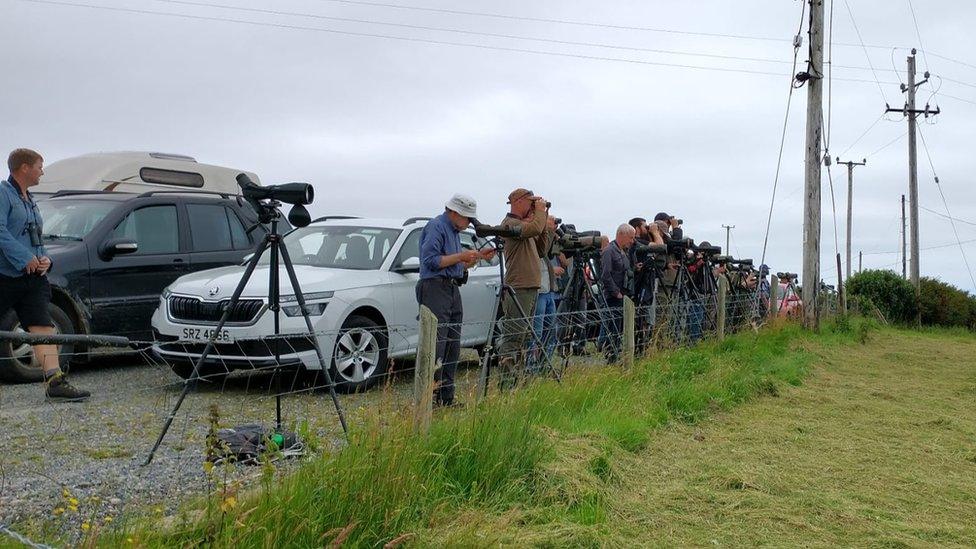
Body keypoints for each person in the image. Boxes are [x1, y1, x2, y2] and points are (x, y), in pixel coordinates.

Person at [1, 149, 89, 401]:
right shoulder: (2, 194)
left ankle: (55, 382)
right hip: (4, 276)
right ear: (24, 168)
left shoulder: (30, 198)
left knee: (42, 325)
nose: (43, 171)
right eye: (40, 166)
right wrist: (23, 257)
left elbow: (35, 236)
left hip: (33, 279)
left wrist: (44, 259)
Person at [416, 194, 495, 406]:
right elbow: (431, 261)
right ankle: (428, 399)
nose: (469, 223)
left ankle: (445, 397)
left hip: (451, 287)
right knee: (436, 344)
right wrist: (462, 256)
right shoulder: (436, 227)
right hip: (435, 288)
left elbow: (454, 266)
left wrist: (478, 256)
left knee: (452, 345)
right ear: (454, 212)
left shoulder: (452, 230)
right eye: (467, 218)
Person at [496, 187, 551, 390]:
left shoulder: (525, 226)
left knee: (524, 336)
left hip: (530, 286)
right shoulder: (510, 225)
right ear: (518, 201)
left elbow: (542, 249)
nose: (533, 206)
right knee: (513, 336)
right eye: (530, 202)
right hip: (518, 287)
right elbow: (534, 229)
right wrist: (540, 214)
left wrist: (542, 219)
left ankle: (516, 380)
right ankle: (507, 383)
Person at [529, 215, 563, 374]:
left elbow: (550, 253)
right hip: (539, 291)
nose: (554, 224)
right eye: (551, 220)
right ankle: (531, 367)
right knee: (536, 332)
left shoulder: (549, 236)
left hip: (548, 290)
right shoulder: (533, 234)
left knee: (551, 331)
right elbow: (540, 251)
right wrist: (546, 229)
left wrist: (551, 232)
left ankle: (544, 365)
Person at [599, 223, 635, 363]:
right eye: (630, 238)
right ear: (622, 235)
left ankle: (616, 354)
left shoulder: (622, 251)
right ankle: (610, 357)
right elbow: (605, 275)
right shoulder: (609, 251)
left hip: (623, 295)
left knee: (619, 329)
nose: (632, 241)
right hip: (613, 297)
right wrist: (616, 292)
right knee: (612, 328)